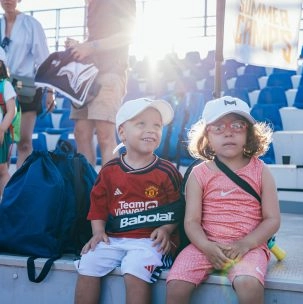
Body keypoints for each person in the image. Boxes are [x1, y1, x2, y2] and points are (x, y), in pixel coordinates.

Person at [166, 96, 281, 304]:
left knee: (249, 284)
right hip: (205, 246)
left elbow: (272, 219)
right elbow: (191, 221)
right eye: (218, 127)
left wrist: (246, 244)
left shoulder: (261, 171)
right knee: (176, 285)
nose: (228, 132)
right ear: (207, 135)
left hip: (249, 247)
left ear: (249, 133)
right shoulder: (199, 174)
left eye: (238, 125)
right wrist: (206, 247)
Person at [74, 97, 183, 304]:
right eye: (141, 124)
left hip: (150, 241)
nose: (151, 130)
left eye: (157, 126)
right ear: (122, 132)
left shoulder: (167, 171)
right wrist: (98, 232)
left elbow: (178, 208)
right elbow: (98, 205)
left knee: (135, 268)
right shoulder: (109, 170)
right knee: (88, 262)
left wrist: (167, 229)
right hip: (114, 238)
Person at [66, 0, 136, 166]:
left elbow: (127, 35)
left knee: (105, 135)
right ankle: (87, 188)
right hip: (87, 75)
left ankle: (110, 191)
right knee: (81, 133)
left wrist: (90, 47)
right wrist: (80, 46)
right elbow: (96, 38)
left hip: (110, 71)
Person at [0, 0, 55, 168]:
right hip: (2, 87)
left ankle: (20, 186)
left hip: (26, 89)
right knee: (2, 142)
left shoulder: (31, 24)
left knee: (24, 141)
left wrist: (51, 91)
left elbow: (44, 59)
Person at [0, 47, 16, 196]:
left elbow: (12, 110)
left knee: (2, 169)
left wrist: (2, 129)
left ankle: (6, 202)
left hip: (0, 133)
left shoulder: (5, 85)